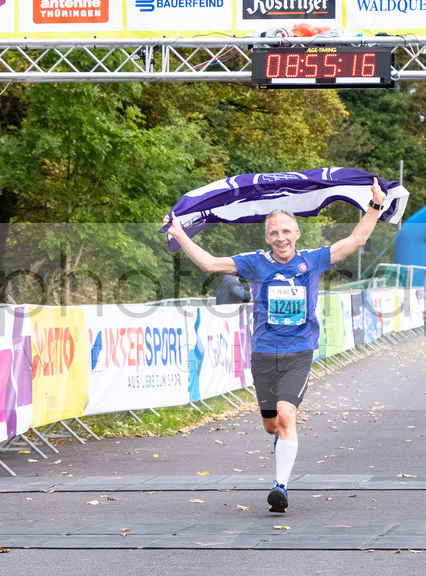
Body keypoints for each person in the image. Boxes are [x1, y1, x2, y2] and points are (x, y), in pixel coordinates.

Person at [164, 179, 386, 513]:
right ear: (267, 238)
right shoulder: (255, 263)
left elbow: (356, 239)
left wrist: (375, 205)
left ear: (296, 233)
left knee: (286, 415)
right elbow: (210, 263)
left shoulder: (313, 260)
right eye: (273, 233)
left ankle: (280, 487)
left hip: (299, 351)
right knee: (271, 424)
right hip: (264, 354)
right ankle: (281, 443)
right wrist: (179, 233)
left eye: (285, 231)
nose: (280, 237)